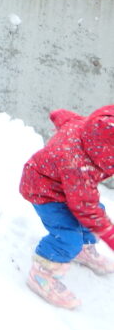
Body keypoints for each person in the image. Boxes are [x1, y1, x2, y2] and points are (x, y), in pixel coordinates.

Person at [19, 105, 114, 309]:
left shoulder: (87, 129)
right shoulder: (79, 165)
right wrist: (110, 235)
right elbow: (85, 208)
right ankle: (41, 274)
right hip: (44, 190)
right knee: (68, 236)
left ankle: (84, 248)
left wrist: (57, 115)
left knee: (97, 212)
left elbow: (66, 118)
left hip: (66, 184)